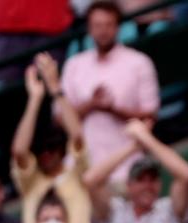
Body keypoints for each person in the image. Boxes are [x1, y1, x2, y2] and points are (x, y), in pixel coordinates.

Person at [60, 0, 160, 183]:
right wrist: (91, 105)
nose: (103, 31)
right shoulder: (74, 65)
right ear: (89, 28)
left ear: (118, 27)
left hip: (127, 169)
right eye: (97, 25)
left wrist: (112, 109)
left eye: (108, 25)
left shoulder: (139, 62)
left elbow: (150, 116)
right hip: (80, 169)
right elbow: (59, 119)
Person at [12, 53, 94, 223]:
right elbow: (19, 151)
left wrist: (56, 89)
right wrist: (35, 98)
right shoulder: (31, 183)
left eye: (52, 148)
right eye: (40, 150)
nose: (46, 153)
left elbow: (77, 137)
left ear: (61, 149)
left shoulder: (77, 174)